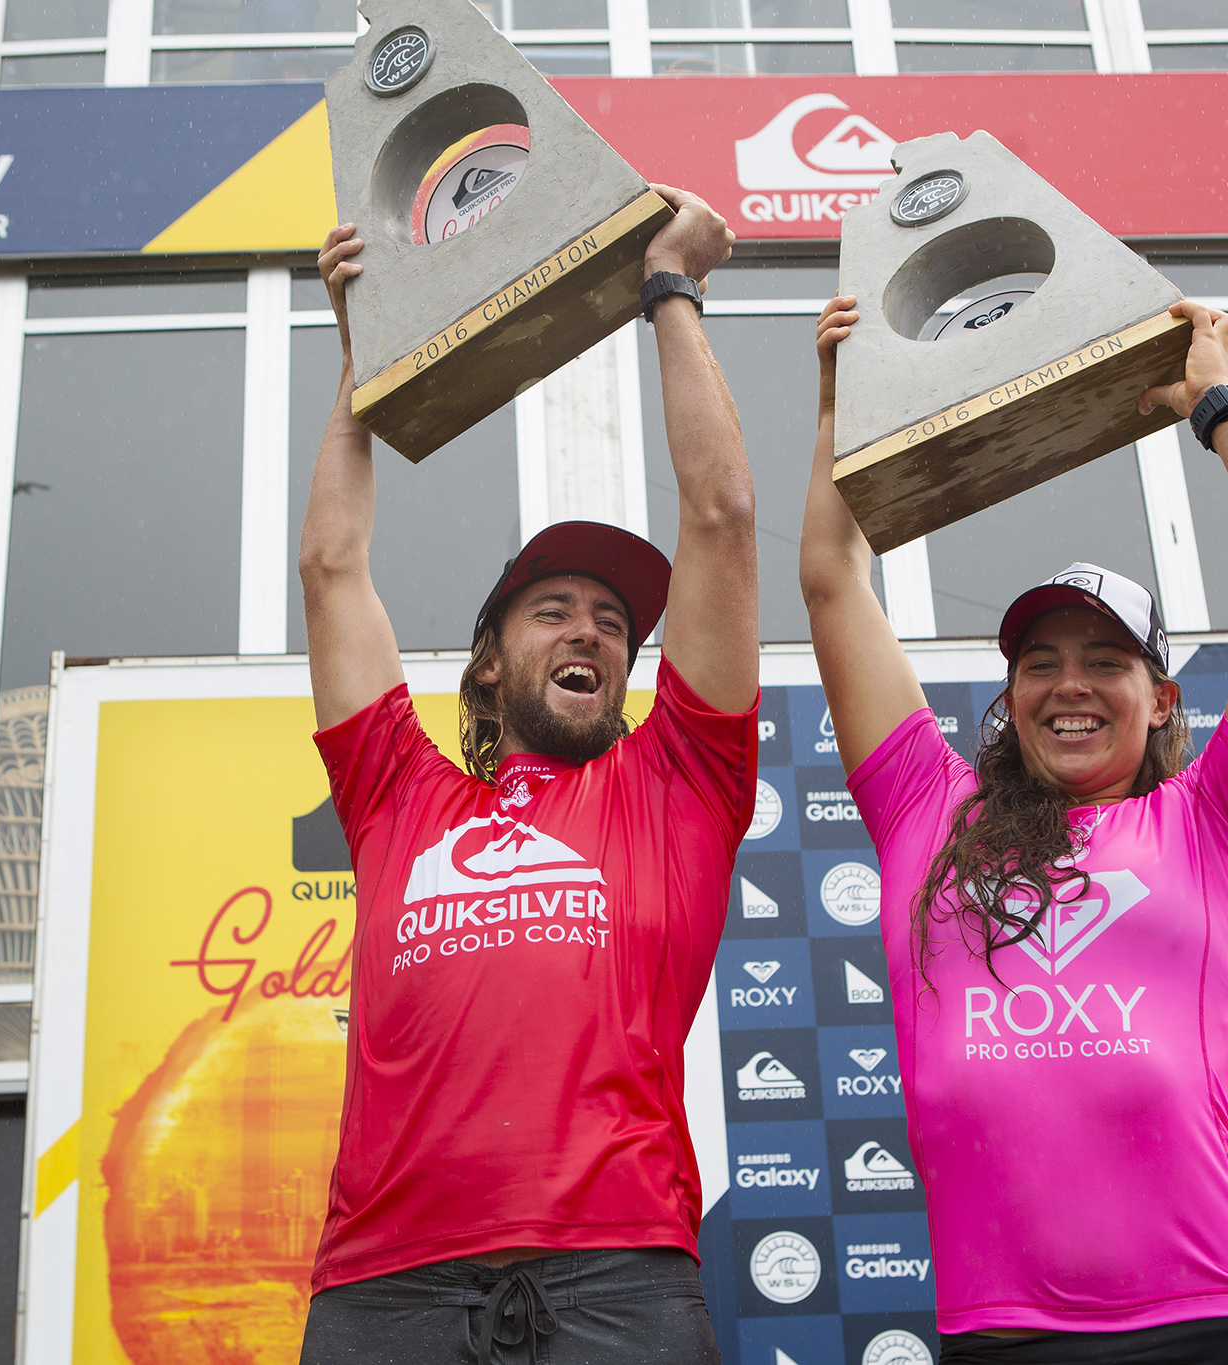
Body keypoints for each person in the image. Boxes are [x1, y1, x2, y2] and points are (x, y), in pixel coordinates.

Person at [797, 296, 1228, 1363]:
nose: (1068, 685)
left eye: (1104, 661)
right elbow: (833, 581)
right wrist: (844, 410)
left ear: (1157, 699)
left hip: (1216, 1320)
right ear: (1008, 695)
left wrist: (1219, 409)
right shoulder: (929, 809)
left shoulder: (1216, 821)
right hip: (1002, 1332)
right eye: (1038, 662)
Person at [296, 186, 758, 1365]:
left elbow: (718, 516)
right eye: (553, 611)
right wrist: (367, 358)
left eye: (613, 623)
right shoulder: (398, 789)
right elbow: (331, 567)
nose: (592, 633)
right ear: (490, 668)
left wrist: (668, 290)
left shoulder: (680, 784)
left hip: (618, 1280)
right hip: (385, 1283)